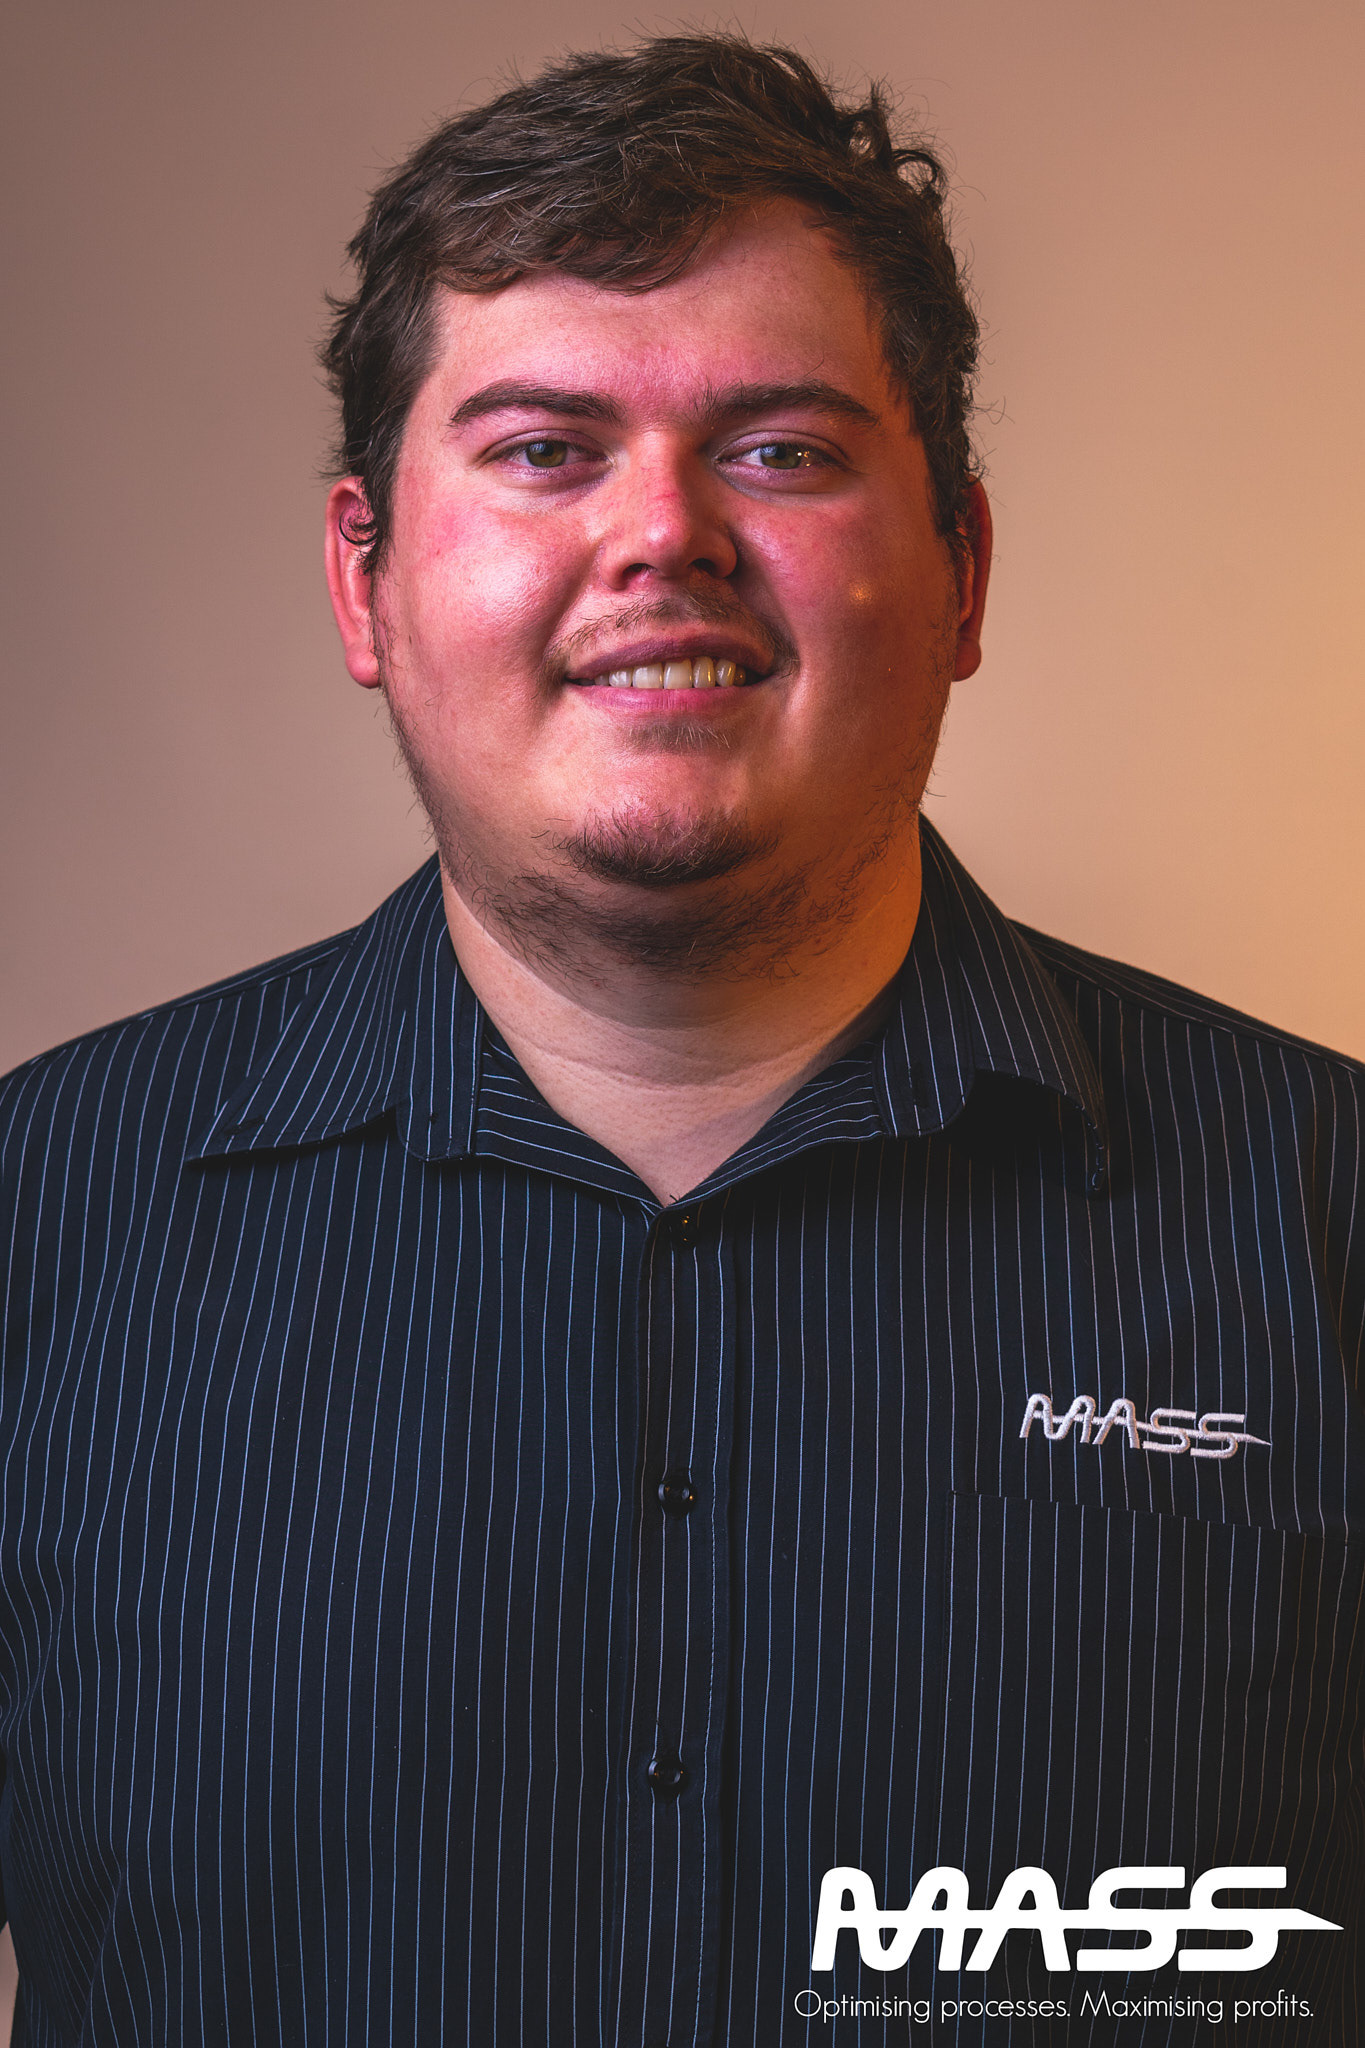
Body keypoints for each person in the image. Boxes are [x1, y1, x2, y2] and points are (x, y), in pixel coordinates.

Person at [0, 33, 1360, 2047]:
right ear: (364, 580)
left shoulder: (1326, 1218)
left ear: (961, 571)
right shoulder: (36, 1222)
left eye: (780, 450)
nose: (663, 537)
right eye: (544, 449)